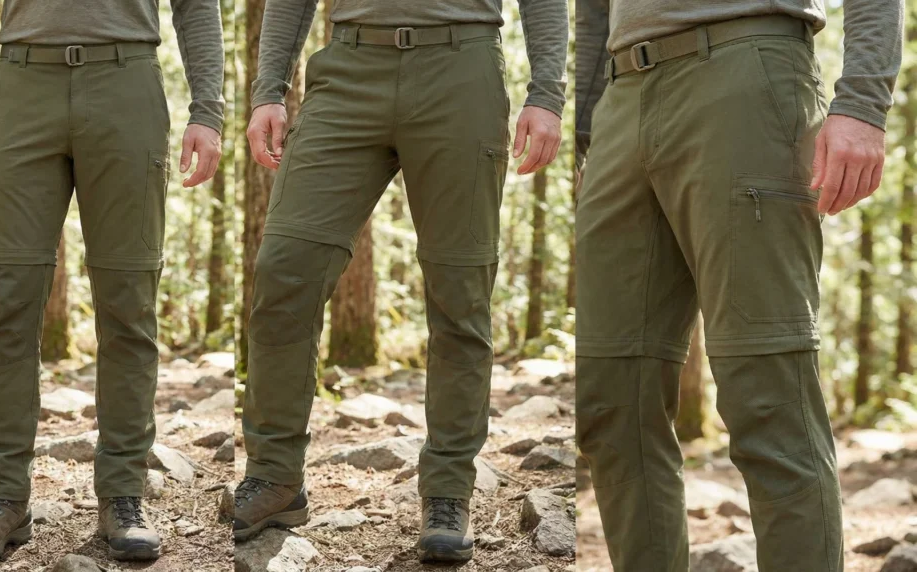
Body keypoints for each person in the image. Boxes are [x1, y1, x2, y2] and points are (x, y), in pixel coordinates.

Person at [234, 0, 568, 563]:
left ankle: (448, 491)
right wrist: (269, 90)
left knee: (460, 293)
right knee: (285, 270)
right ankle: (274, 475)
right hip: (347, 71)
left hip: (461, 71)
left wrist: (547, 95)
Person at [574, 1, 902, 571]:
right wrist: (586, 127)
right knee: (611, 395)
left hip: (746, 70)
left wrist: (863, 103)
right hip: (620, 98)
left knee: (768, 396)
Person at [0, 0, 224, 563]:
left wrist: (207, 111)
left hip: (127, 85)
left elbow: (196, 6)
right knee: (5, 300)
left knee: (128, 305)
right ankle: (1, 497)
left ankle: (123, 495)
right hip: (20, 87)